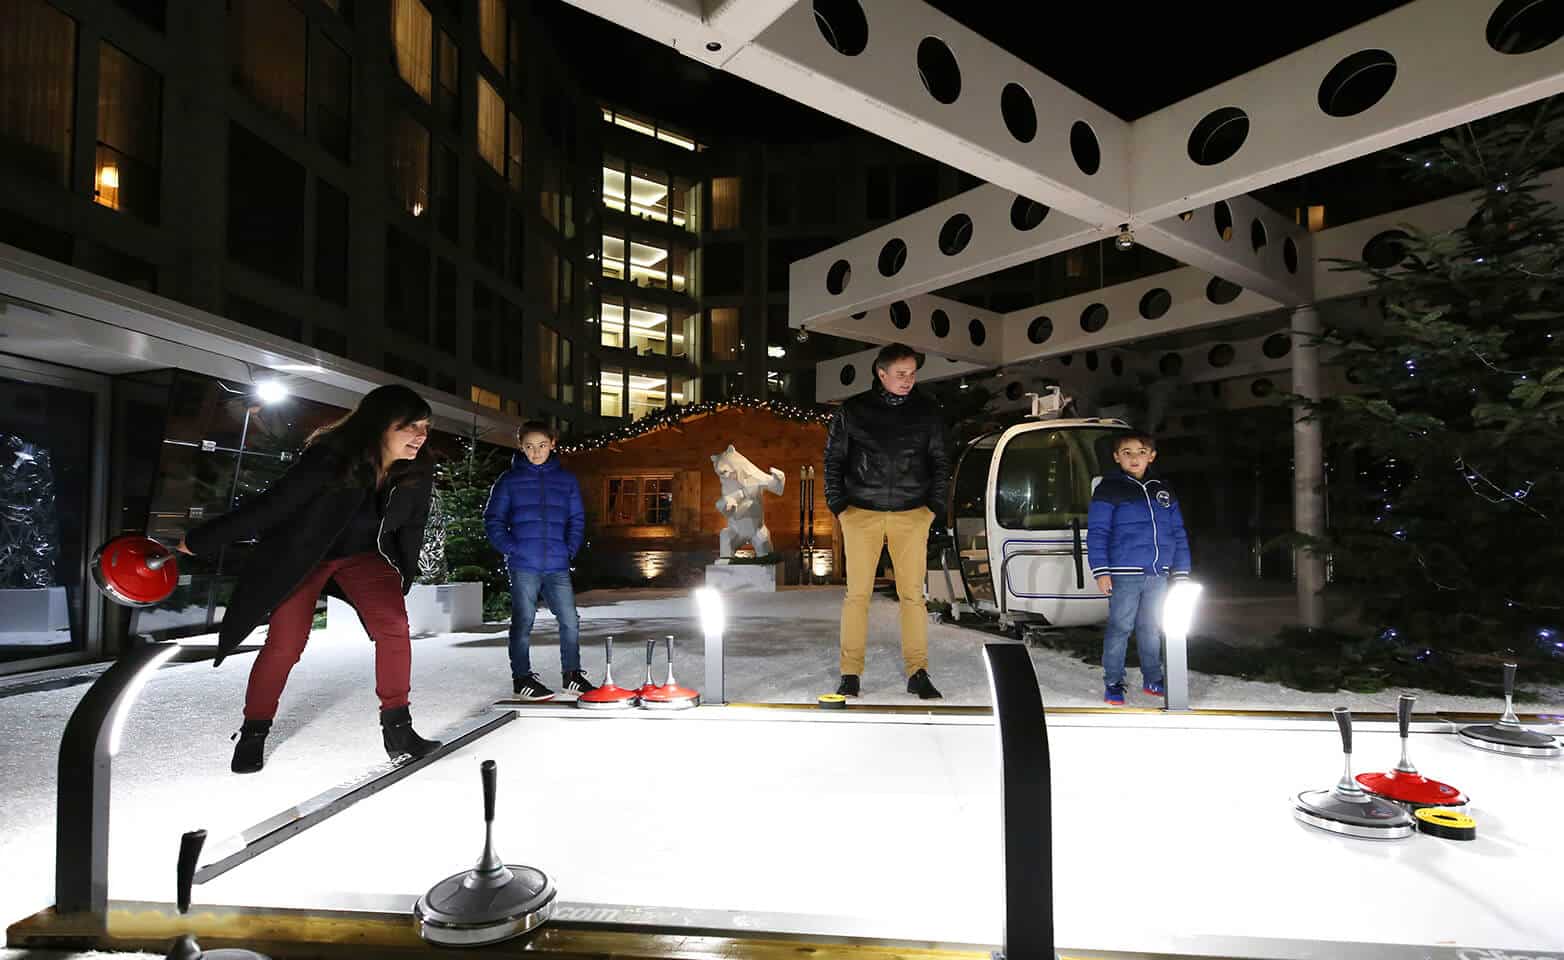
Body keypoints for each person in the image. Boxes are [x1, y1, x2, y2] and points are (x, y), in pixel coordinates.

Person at [179, 384, 443, 773]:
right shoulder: (331, 459)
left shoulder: (417, 472)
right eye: (410, 426)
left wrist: (402, 572)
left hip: (366, 558)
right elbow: (273, 506)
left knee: (394, 628)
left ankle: (398, 729)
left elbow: (412, 528)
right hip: (304, 557)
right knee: (286, 644)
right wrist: (200, 540)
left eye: (425, 426)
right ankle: (254, 730)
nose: (420, 435)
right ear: (380, 425)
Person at [824, 342, 950, 700]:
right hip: (860, 513)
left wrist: (933, 507)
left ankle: (918, 671)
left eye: (912, 373)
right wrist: (839, 505)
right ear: (881, 374)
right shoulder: (854, 410)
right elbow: (833, 459)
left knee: (912, 596)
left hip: (912, 514)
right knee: (857, 597)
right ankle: (850, 673)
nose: (908, 380)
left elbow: (941, 461)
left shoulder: (928, 411)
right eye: (900, 374)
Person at [482, 420, 597, 701]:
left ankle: (572, 675)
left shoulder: (566, 480)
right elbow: (493, 519)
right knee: (524, 620)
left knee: (570, 619)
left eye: (542, 445)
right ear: (521, 447)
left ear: (553, 444)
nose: (536, 452)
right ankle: (521, 678)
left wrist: (569, 548)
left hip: (557, 563)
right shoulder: (509, 481)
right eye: (529, 447)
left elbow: (576, 519)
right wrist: (512, 548)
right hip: (524, 565)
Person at [1086, 431, 1192, 705]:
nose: (1135, 458)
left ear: (1152, 456)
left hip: (1157, 573)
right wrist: (1101, 570)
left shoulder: (1162, 489)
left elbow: (1177, 532)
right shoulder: (1109, 489)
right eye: (1127, 452)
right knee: (1120, 627)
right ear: (1116, 457)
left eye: (1141, 452)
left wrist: (1181, 570)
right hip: (1123, 573)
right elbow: (1098, 532)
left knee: (1151, 627)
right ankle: (1113, 681)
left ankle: (1152, 677)